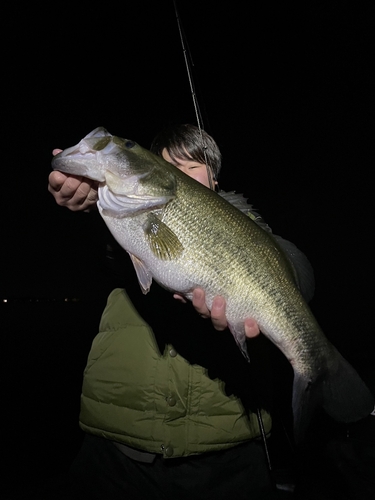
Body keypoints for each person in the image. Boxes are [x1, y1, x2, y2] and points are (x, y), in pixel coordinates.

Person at [48, 124, 313, 500]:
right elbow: (103, 248)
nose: (180, 173)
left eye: (192, 166)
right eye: (169, 165)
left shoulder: (257, 235)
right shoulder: (118, 214)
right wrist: (84, 198)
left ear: (215, 180)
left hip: (226, 456)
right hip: (117, 449)